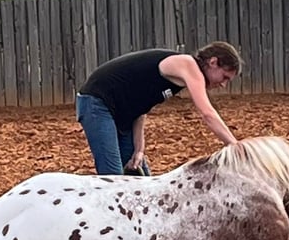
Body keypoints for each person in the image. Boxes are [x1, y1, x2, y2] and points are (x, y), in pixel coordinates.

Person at [75, 41, 242, 176]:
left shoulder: (180, 77)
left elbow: (140, 108)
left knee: (139, 174)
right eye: (224, 77)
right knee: (113, 178)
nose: (223, 84)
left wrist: (139, 148)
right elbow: (208, 114)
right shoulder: (188, 65)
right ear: (213, 62)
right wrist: (237, 148)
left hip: (121, 113)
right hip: (96, 103)